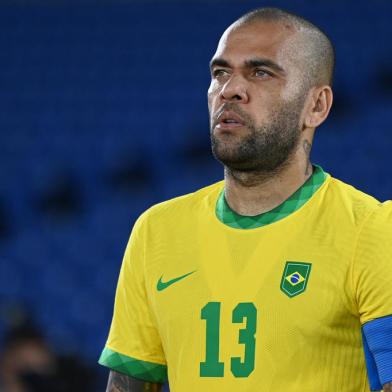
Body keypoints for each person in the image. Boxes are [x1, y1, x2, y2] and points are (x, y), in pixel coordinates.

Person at [99, 7, 392, 392]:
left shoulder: (372, 230)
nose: (229, 89)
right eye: (221, 72)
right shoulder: (156, 231)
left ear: (316, 106)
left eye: (261, 72)